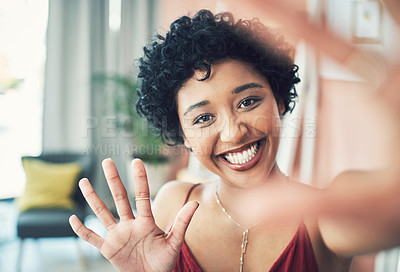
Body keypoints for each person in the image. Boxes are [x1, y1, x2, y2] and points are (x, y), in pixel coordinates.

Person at [69, 7, 400, 272]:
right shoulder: (173, 205)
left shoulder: (326, 218)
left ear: (279, 100)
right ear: (182, 133)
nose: (233, 132)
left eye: (248, 102)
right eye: (203, 118)